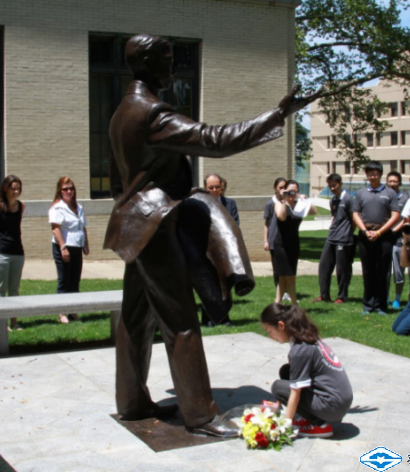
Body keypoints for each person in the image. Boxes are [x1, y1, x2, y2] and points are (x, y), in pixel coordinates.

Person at [104, 34, 321, 436]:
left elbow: (122, 177)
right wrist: (277, 115)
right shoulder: (152, 112)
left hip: (134, 225)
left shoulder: (122, 111)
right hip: (153, 228)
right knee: (181, 322)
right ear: (148, 63)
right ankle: (200, 415)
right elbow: (215, 140)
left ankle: (131, 401)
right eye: (168, 60)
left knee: (135, 319)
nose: (174, 67)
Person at [261, 303, 353, 439]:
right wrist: (276, 406)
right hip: (340, 400)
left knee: (278, 387)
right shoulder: (306, 336)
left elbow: (295, 392)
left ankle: (320, 425)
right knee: (287, 371)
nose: (270, 336)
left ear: (281, 325)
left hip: (333, 406)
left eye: (269, 331)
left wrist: (284, 425)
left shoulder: (299, 350)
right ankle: (311, 417)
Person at [352, 160, 400, 315]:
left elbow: (395, 215)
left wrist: (379, 232)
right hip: (365, 235)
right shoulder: (361, 193)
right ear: (367, 175)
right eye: (370, 173)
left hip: (384, 235)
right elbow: (355, 214)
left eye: (376, 173)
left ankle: (380, 305)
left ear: (380, 174)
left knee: (382, 271)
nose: (373, 176)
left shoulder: (389, 193)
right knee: (368, 271)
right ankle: (367, 305)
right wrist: (365, 231)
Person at [0, 175, 25, 331]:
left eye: (18, 189)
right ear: (5, 188)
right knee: (0, 290)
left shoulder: (21, 206)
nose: (15, 192)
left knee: (14, 290)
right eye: (12, 188)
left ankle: (14, 322)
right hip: (0, 254)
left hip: (18, 253)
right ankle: (0, 324)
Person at [199, 172, 238, 327]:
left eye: (216, 186)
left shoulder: (230, 204)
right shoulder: (199, 203)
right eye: (210, 187)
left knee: (226, 286)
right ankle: (208, 318)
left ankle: (225, 317)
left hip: (225, 252)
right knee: (207, 286)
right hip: (206, 253)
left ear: (222, 187)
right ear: (205, 188)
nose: (214, 189)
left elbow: (235, 225)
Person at [50, 177, 89, 324]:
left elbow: (82, 227)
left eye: (71, 188)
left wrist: (86, 243)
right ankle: (61, 313)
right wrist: (63, 247)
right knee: (64, 280)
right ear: (59, 191)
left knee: (75, 279)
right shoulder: (57, 207)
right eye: (65, 189)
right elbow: (55, 229)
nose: (69, 191)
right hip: (63, 247)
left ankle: (73, 310)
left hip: (77, 247)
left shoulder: (78, 207)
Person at [274, 180, 317, 304]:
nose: (291, 194)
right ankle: (292, 304)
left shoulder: (300, 205)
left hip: (293, 244)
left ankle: (279, 304)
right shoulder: (279, 203)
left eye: (295, 191)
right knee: (283, 276)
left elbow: (314, 211)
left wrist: (305, 199)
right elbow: (281, 217)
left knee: (290, 276)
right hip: (281, 244)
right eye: (289, 191)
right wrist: (283, 199)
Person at [315, 174, 355, 304]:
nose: (332, 188)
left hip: (343, 240)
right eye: (330, 186)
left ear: (340, 183)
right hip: (331, 237)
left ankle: (341, 296)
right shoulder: (333, 200)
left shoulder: (349, 199)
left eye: (334, 185)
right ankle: (324, 295)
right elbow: (335, 217)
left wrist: (349, 232)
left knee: (342, 270)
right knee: (324, 266)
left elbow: (354, 219)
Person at [386, 171, 409, 309]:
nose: (392, 184)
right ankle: (386, 297)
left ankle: (397, 299)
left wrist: (393, 230)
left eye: (395, 181)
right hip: (384, 239)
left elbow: (405, 219)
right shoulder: (384, 197)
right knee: (385, 271)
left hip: (399, 239)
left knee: (399, 272)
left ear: (399, 183)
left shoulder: (405, 198)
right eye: (390, 181)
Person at [265, 177, 287, 288]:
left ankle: (287, 290)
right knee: (277, 268)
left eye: (285, 187)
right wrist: (266, 241)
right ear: (275, 188)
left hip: (286, 239)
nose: (283, 190)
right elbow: (267, 223)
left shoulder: (288, 202)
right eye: (280, 187)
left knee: (287, 267)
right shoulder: (270, 203)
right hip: (274, 239)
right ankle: (279, 289)